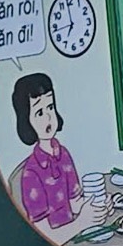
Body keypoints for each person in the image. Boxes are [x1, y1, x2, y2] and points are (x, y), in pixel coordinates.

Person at [10, 75, 82, 229]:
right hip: (58, 239)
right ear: (26, 120)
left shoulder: (63, 154)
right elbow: (43, 231)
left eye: (50, 107)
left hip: (75, 231)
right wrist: (83, 223)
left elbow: (76, 202)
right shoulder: (31, 173)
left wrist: (97, 207)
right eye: (40, 113)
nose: (49, 117)